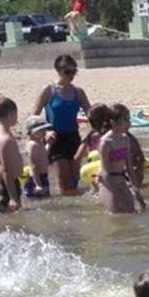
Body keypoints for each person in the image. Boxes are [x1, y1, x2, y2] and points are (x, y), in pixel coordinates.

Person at [32, 55, 91, 195]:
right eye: (68, 72)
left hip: (74, 138)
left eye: (74, 71)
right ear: (58, 71)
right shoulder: (48, 90)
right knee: (64, 181)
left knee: (74, 181)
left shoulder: (78, 92)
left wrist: (92, 133)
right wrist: (45, 133)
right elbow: (34, 117)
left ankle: (71, 207)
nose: (71, 75)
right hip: (55, 139)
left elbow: (92, 115)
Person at [96, 104, 146, 213]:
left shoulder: (126, 139)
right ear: (113, 122)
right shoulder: (105, 142)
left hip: (120, 178)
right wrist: (114, 193)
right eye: (125, 120)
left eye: (128, 119)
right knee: (115, 212)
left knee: (131, 211)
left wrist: (136, 190)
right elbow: (105, 171)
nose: (129, 123)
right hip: (107, 181)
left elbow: (129, 168)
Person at [24, 116, 53, 198]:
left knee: (46, 199)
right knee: (37, 199)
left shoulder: (39, 142)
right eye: (41, 129)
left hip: (43, 177)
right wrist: (38, 185)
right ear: (32, 132)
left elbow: (43, 155)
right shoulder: (32, 145)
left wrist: (49, 144)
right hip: (36, 179)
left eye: (45, 129)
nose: (44, 131)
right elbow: (33, 165)